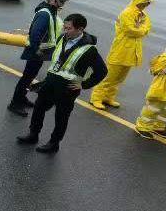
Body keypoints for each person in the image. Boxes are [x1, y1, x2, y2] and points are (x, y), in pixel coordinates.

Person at [16, 13, 107, 153]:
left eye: (69, 28)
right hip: (50, 82)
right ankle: (33, 134)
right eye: (65, 27)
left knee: (61, 117)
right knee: (39, 108)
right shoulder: (62, 38)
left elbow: (102, 71)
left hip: (68, 89)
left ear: (80, 29)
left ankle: (54, 143)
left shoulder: (89, 50)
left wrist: (83, 85)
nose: (65, 31)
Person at [90, 0, 152, 110]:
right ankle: (96, 98)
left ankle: (108, 97)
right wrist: (142, 30)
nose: (147, 4)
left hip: (132, 52)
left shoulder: (143, 15)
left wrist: (140, 29)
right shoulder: (127, 13)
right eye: (146, 2)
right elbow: (130, 30)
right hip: (120, 50)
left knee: (119, 78)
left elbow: (147, 27)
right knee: (109, 76)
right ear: (139, 1)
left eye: (148, 2)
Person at [8, 0, 66, 115]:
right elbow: (35, 34)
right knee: (26, 78)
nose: (63, 4)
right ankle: (14, 103)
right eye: (61, 1)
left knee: (29, 77)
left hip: (41, 52)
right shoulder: (45, 13)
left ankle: (22, 98)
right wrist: (37, 50)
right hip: (36, 52)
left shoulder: (51, 11)